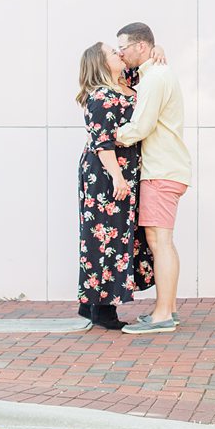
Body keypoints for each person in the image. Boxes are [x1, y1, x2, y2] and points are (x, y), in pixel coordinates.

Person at [113, 22, 192, 335]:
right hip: (168, 169)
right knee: (164, 242)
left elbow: (141, 126)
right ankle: (168, 307)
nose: (120, 52)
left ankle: (162, 315)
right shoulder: (155, 73)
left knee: (159, 242)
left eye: (123, 46)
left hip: (160, 171)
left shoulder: (155, 78)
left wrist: (110, 137)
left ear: (140, 47)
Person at [75, 42, 154, 330]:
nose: (119, 54)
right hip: (106, 173)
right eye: (112, 52)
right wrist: (118, 178)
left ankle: (90, 304)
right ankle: (102, 309)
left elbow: (144, 66)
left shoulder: (126, 83)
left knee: (121, 234)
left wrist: (159, 50)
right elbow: (102, 142)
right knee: (104, 236)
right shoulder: (100, 96)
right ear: (101, 63)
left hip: (125, 170)